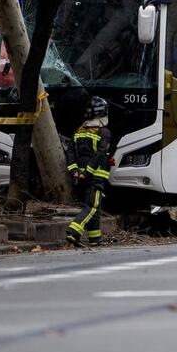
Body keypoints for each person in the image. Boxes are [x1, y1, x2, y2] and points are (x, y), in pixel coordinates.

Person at [65, 97, 112, 246]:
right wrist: (88, 172)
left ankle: (95, 238)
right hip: (95, 176)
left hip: (80, 175)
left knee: (95, 207)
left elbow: (70, 152)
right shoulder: (104, 132)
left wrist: (74, 171)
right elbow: (100, 154)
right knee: (92, 206)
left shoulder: (78, 131)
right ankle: (74, 232)